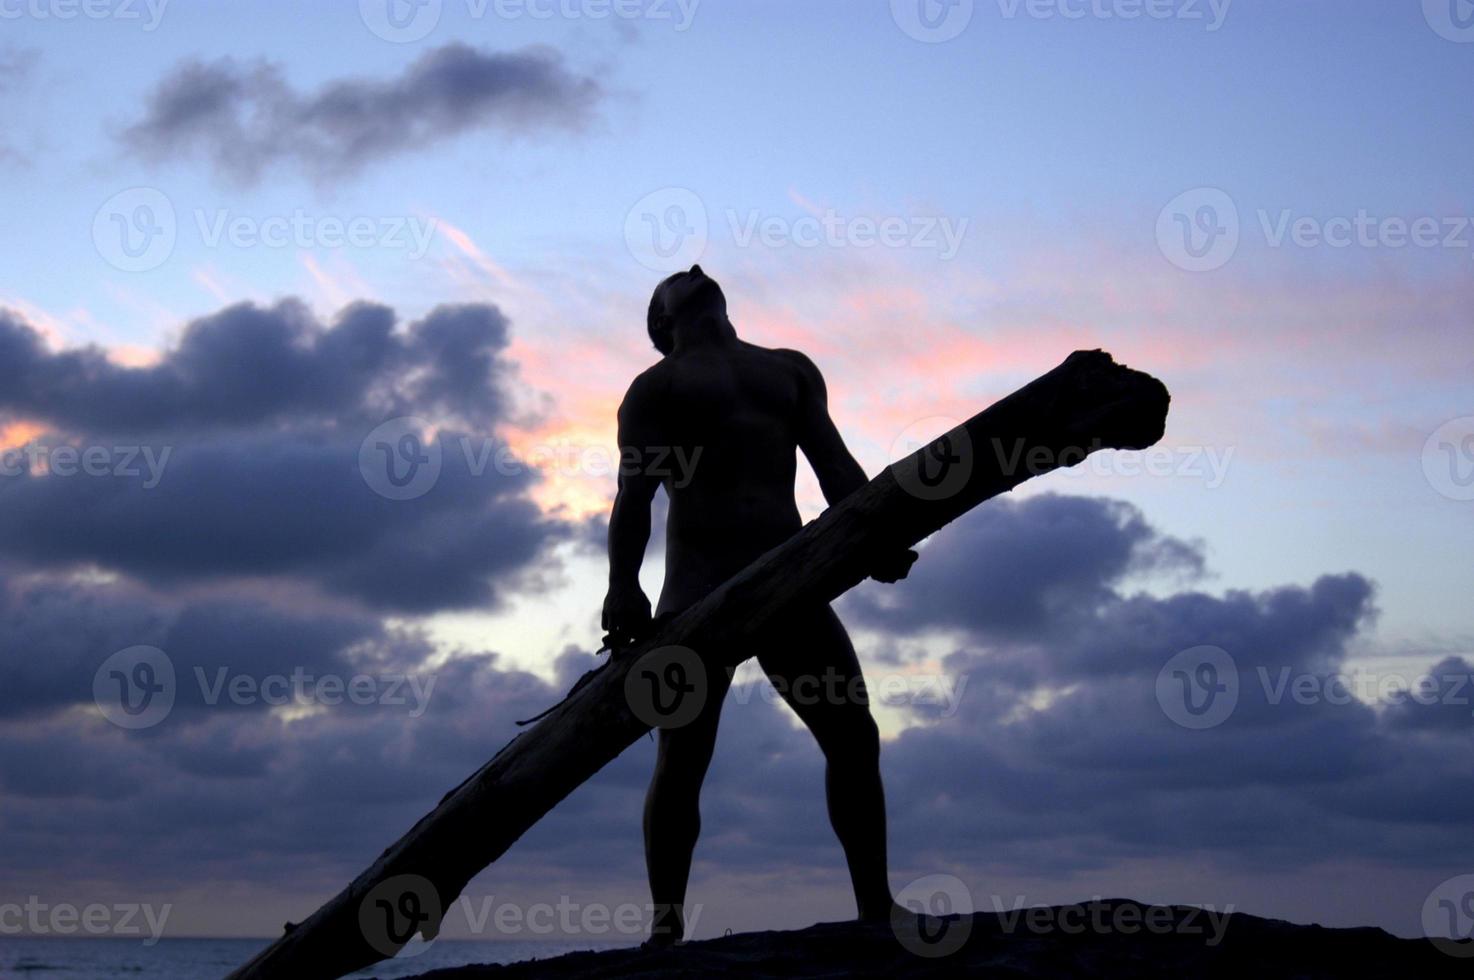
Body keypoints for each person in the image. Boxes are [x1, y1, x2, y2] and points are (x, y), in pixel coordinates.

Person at [602, 264, 917, 945]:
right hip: (697, 595)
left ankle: (876, 908)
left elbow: (834, 464)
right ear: (660, 324)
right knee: (682, 762)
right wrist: (621, 586)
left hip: (790, 580)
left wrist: (876, 536)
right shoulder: (655, 389)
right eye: (669, 284)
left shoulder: (789, 371)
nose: (690, 272)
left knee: (853, 735)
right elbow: (635, 499)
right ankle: (665, 929)